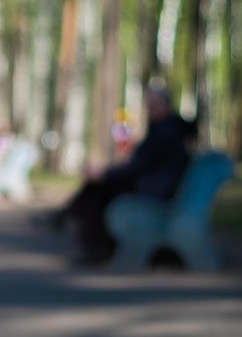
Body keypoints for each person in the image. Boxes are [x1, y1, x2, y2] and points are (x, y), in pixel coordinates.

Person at [42, 81, 195, 265]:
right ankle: (76, 227)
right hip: (156, 187)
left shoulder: (165, 132)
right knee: (99, 187)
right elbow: (140, 165)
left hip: (155, 191)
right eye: (149, 104)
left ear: (166, 105)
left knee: (99, 189)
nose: (150, 108)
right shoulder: (168, 129)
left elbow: (137, 166)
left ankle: (83, 235)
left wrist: (104, 173)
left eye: (154, 104)